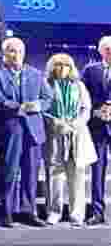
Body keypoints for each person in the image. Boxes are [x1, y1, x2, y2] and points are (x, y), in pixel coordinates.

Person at [0, 37, 52, 228]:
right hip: (9, 130)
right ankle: (6, 211)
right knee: (9, 171)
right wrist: (22, 107)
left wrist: (38, 105)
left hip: (33, 131)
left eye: (19, 52)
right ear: (4, 54)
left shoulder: (36, 73)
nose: (16, 55)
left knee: (31, 173)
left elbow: (48, 98)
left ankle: (27, 211)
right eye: (12, 51)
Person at [43, 53, 96, 227]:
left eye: (66, 65)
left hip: (76, 134)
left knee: (77, 175)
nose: (62, 68)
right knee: (55, 174)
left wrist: (75, 124)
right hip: (55, 134)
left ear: (71, 68)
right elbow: (42, 109)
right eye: (58, 65)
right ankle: (54, 212)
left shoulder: (79, 86)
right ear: (52, 67)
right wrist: (55, 123)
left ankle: (76, 213)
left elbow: (86, 109)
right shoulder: (46, 85)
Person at [81, 35, 111, 225]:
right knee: (97, 171)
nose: (110, 52)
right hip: (97, 126)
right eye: (107, 49)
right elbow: (82, 98)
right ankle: (97, 212)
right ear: (100, 51)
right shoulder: (90, 70)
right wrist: (95, 112)